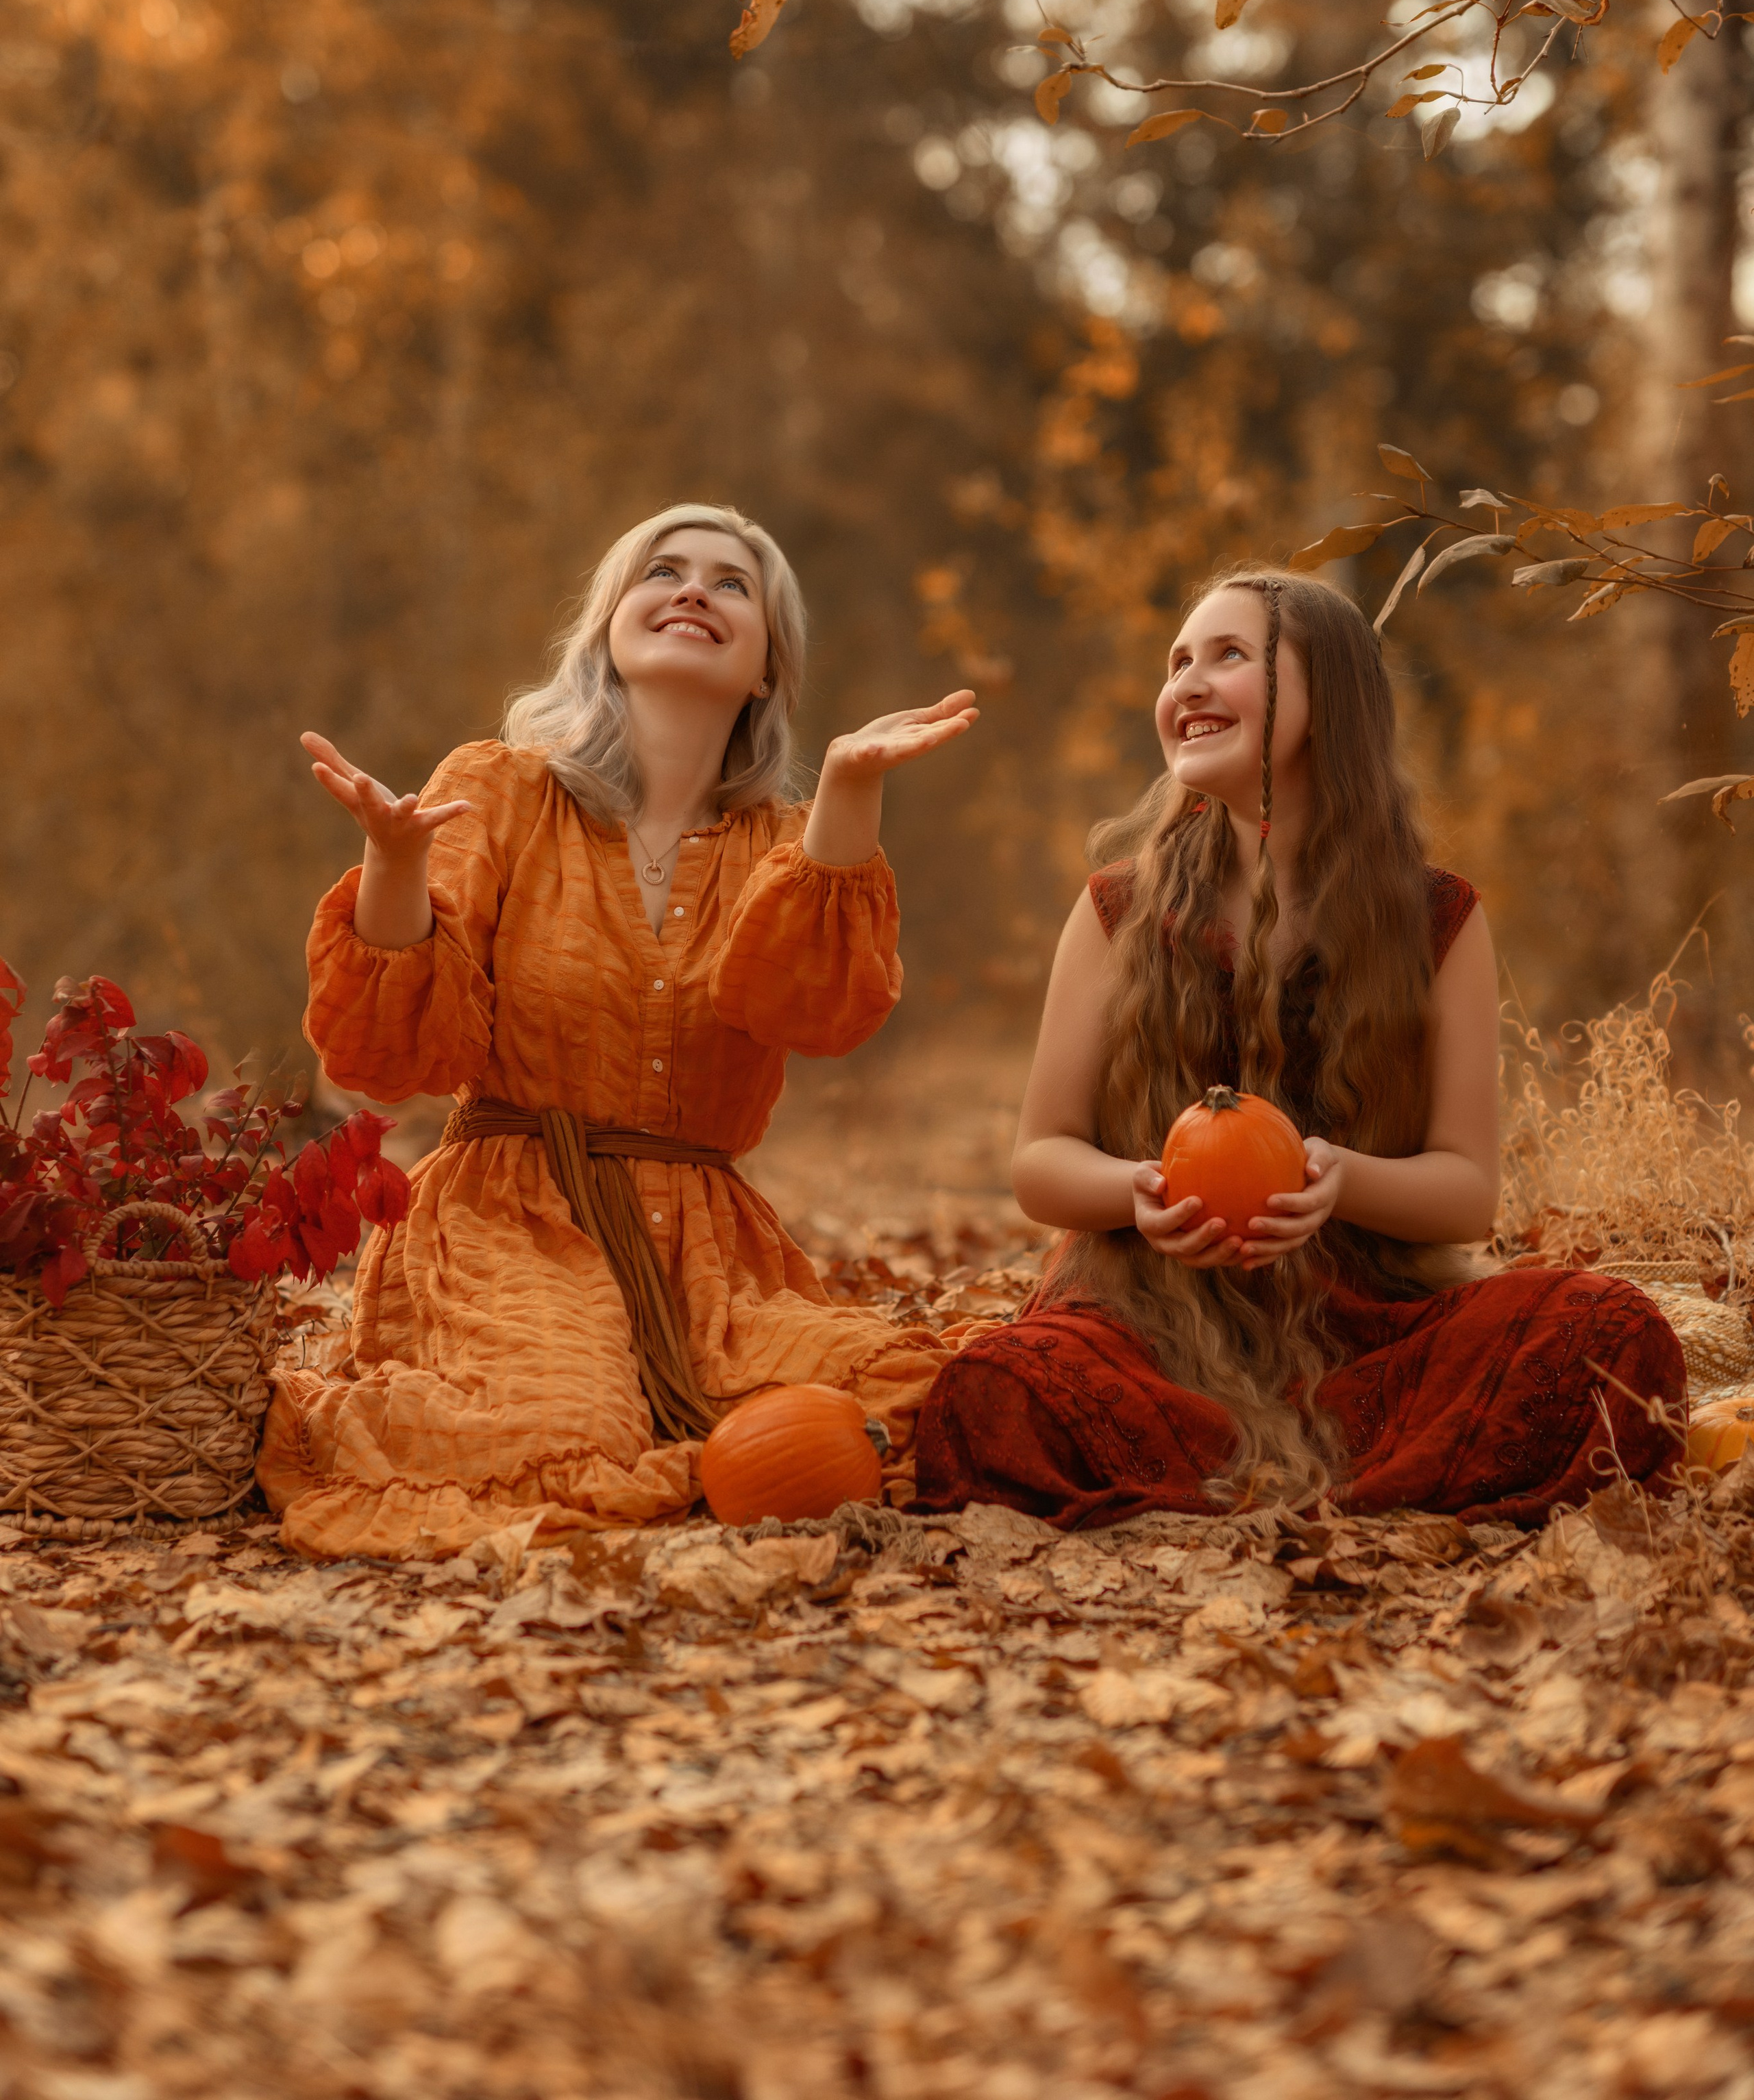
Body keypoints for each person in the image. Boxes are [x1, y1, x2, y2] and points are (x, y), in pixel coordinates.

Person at [260, 503, 977, 1561]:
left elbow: (812, 1016)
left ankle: (697, 1442)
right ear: (606, 630)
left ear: (769, 667)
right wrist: (397, 864)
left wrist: (848, 793)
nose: (695, 590)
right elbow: (389, 1061)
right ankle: (655, 1445)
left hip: (705, 1253)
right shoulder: (496, 789)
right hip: (511, 1220)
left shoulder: (788, 837)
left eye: (733, 584)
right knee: (563, 1431)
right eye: (665, 570)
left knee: (931, 1396)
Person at [914, 565, 1684, 1529]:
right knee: (996, 1389)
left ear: (1332, 702)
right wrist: (1142, 1196)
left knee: (1614, 1336)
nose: (1187, 683)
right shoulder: (1118, 909)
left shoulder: (1436, 916)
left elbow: (1466, 1192)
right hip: (1152, 1327)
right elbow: (1041, 1163)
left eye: (1229, 656)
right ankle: (1291, 1480)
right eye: (1177, 662)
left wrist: (1337, 1181)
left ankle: (1288, 1483)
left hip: (1376, 1337)